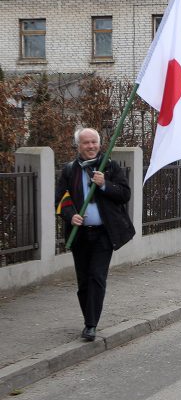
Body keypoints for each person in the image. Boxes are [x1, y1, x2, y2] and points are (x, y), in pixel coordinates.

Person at [55, 128, 135, 341]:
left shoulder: (109, 166)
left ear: (99, 144)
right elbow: (61, 199)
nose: (90, 146)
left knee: (97, 277)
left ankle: (91, 325)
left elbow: (124, 194)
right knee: (83, 281)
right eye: (86, 143)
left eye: (94, 142)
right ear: (78, 146)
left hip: (103, 234)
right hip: (80, 234)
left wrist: (104, 185)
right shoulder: (70, 170)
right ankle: (87, 317)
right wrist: (71, 215)